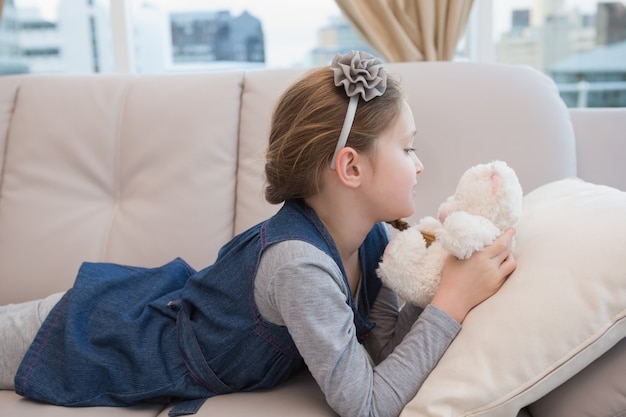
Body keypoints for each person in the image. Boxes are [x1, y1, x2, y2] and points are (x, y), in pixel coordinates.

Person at [0, 51, 516, 417]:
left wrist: (435, 291)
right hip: (105, 335)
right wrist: (450, 304)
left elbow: (379, 357)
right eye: (407, 149)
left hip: (151, 307)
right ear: (351, 168)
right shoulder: (299, 266)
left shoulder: (375, 241)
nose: (420, 165)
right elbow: (367, 405)